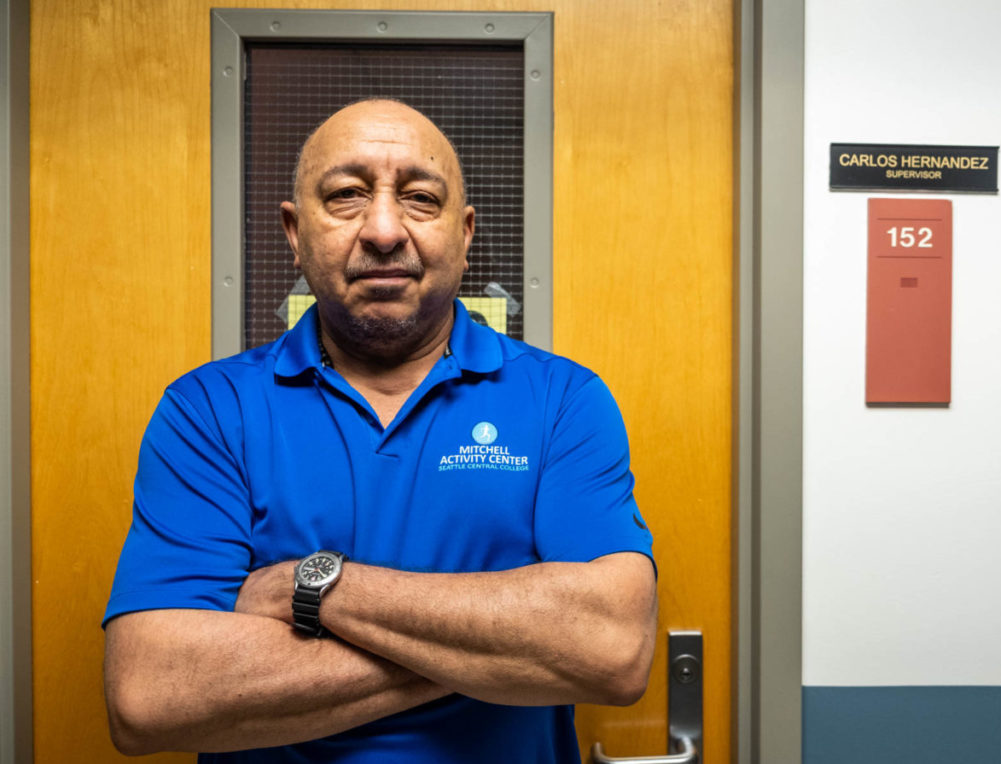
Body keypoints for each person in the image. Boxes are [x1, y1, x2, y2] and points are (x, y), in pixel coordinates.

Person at [103, 99, 657, 763]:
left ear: (466, 232)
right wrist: (503, 650)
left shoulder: (563, 401)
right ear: (294, 231)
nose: (386, 229)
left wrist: (314, 588)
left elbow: (614, 650)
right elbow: (151, 697)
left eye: (421, 198)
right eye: (346, 195)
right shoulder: (209, 410)